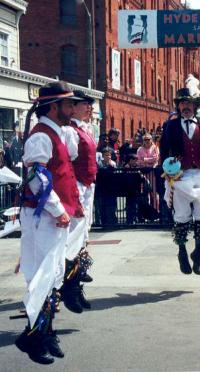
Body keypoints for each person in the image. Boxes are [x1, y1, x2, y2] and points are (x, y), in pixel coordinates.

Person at [15, 82, 83, 364]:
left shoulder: (55, 133)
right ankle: (32, 337)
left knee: (52, 276)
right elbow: (36, 179)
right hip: (43, 217)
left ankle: (43, 332)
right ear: (53, 107)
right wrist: (57, 209)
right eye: (68, 104)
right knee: (43, 277)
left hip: (51, 217)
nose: (73, 108)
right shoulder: (41, 137)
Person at [160, 87, 200, 275]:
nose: (186, 106)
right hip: (181, 174)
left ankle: (198, 252)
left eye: (189, 103)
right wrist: (168, 172)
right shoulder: (170, 125)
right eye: (182, 103)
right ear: (178, 106)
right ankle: (182, 252)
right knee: (182, 215)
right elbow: (163, 151)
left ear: (195, 105)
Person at [60, 90, 97, 314]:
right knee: (72, 238)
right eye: (86, 104)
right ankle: (69, 288)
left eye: (91, 105)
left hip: (88, 186)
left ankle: (77, 283)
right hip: (77, 187)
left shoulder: (86, 129)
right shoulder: (69, 131)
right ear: (73, 107)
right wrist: (75, 194)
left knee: (83, 234)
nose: (90, 108)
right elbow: (68, 165)